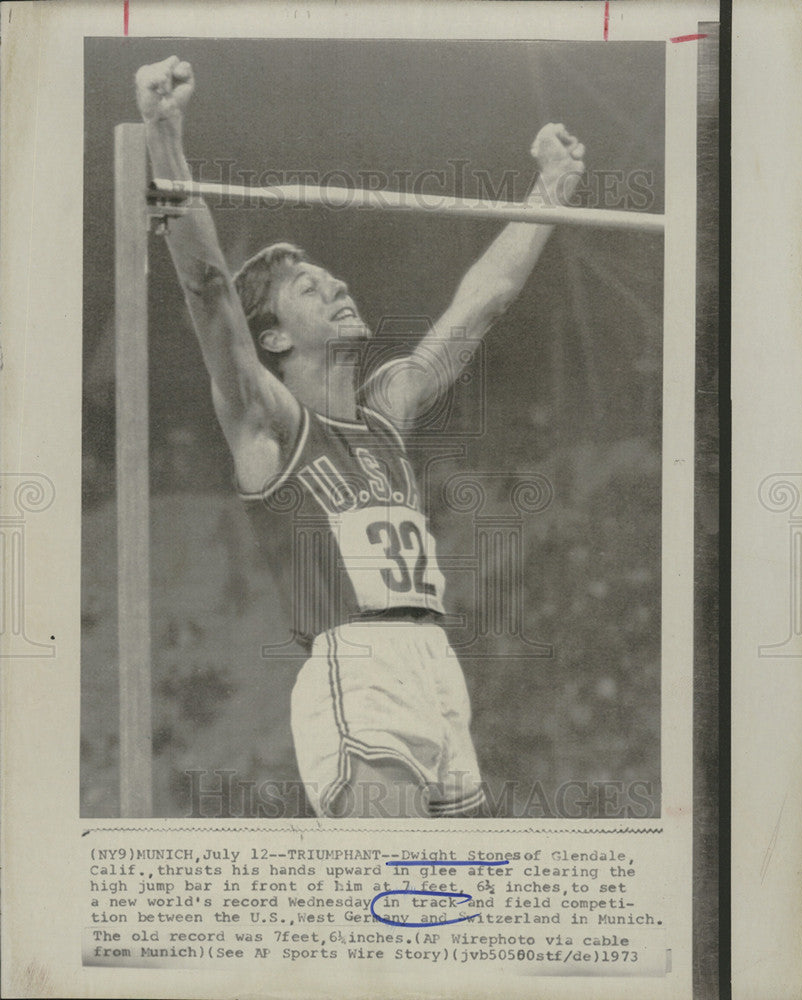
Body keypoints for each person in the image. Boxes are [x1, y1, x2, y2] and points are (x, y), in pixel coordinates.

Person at [135, 55, 585, 819]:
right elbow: (210, 294)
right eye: (311, 289)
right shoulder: (268, 425)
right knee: (386, 889)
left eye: (335, 279)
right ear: (272, 340)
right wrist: (166, 138)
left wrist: (552, 192)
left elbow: (483, 303)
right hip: (360, 661)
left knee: (453, 910)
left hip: (435, 663)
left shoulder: (387, 413)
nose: (339, 287)